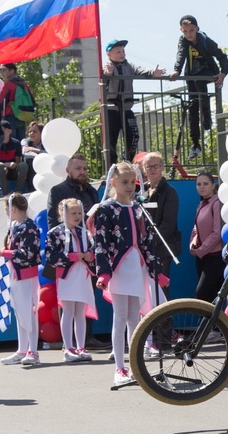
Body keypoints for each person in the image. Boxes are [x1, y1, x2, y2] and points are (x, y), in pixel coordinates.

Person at [94, 162, 166, 388]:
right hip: (118, 269)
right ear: (113, 183)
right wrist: (104, 272)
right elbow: (101, 243)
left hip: (137, 267)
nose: (129, 187)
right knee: (120, 315)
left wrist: (157, 271)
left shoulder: (137, 208)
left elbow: (146, 241)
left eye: (132, 182)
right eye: (124, 182)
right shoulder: (105, 209)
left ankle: (136, 364)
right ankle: (119, 367)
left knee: (135, 317)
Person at [169, 15, 228, 160]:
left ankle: (207, 116)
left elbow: (222, 56)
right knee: (193, 105)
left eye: (191, 30)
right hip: (191, 74)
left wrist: (223, 73)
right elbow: (181, 55)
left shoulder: (205, 40)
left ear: (197, 28)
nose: (188, 34)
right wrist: (177, 70)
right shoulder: (183, 40)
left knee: (200, 82)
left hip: (207, 71)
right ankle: (195, 143)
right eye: (185, 31)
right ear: (181, 31)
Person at [45, 198, 97, 363]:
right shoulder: (55, 233)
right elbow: (51, 256)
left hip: (82, 274)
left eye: (79, 213)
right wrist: (73, 257)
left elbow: (93, 249)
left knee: (80, 312)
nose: (77, 216)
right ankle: (68, 347)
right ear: (63, 213)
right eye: (73, 213)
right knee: (68, 311)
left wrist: (90, 256)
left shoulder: (85, 232)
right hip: (67, 276)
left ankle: (81, 346)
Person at [0, 193, 42, 366]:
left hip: (26, 276)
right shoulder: (18, 226)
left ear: (12, 208)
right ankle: (23, 349)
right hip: (17, 275)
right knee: (20, 313)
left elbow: (26, 255)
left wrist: (3, 252)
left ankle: (33, 351)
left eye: (7, 209)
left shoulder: (28, 227)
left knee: (28, 313)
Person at [103, 39, 166, 168]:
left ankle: (127, 161)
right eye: (118, 51)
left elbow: (140, 70)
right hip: (111, 109)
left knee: (133, 135)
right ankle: (112, 167)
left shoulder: (129, 66)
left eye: (123, 51)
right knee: (111, 140)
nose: (122, 54)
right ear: (109, 54)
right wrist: (109, 73)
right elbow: (105, 74)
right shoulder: (107, 66)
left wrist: (153, 73)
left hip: (126, 108)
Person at [141, 153, 181, 301]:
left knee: (160, 289)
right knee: (146, 291)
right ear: (144, 169)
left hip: (162, 249)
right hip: (143, 250)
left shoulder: (169, 192)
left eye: (156, 166)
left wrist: (150, 242)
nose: (153, 170)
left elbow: (168, 225)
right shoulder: (141, 192)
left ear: (162, 167)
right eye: (149, 166)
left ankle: (165, 324)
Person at [189, 171, 225, 302]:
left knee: (202, 292)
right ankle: (211, 322)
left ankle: (210, 322)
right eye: (198, 184)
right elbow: (196, 228)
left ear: (213, 186)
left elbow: (217, 233)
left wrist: (200, 250)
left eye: (205, 184)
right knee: (209, 296)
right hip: (202, 257)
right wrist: (193, 243)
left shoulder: (216, 204)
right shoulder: (202, 204)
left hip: (214, 257)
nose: (201, 187)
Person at [47, 153, 101, 230]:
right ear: (68, 170)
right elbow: (53, 223)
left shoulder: (92, 191)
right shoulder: (58, 191)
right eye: (78, 168)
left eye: (85, 169)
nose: (82, 172)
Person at [0, 63, 33, 141]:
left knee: (11, 141)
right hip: (22, 115)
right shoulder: (24, 84)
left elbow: (2, 102)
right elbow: (32, 99)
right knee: (22, 141)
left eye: (4, 70)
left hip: (9, 116)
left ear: (12, 71)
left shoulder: (8, 84)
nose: (2, 73)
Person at [0, 120, 28, 195]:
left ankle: (18, 192)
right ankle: (6, 193)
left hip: (12, 170)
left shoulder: (16, 143)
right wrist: (5, 165)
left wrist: (13, 165)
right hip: (0, 171)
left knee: (23, 165)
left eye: (2, 129)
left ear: (9, 131)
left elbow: (17, 162)